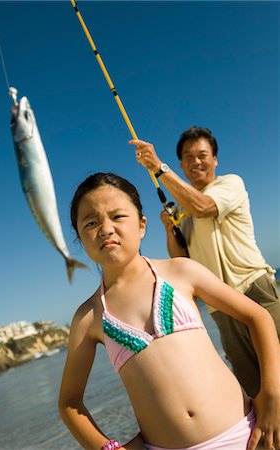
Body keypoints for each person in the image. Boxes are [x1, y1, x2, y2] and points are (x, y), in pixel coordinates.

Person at [58, 172, 279, 450]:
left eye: (117, 216)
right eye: (91, 222)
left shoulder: (181, 271)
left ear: (141, 225)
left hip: (247, 435)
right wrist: (108, 448)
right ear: (80, 237)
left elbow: (257, 316)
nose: (105, 228)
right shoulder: (89, 317)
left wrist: (271, 395)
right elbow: (69, 402)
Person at [129, 128, 280, 399]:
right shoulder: (184, 210)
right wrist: (169, 228)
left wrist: (158, 168)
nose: (196, 162)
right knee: (255, 390)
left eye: (202, 155)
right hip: (221, 307)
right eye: (188, 157)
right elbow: (181, 260)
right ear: (181, 165)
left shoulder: (229, 184)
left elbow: (203, 207)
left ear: (215, 159)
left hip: (256, 290)